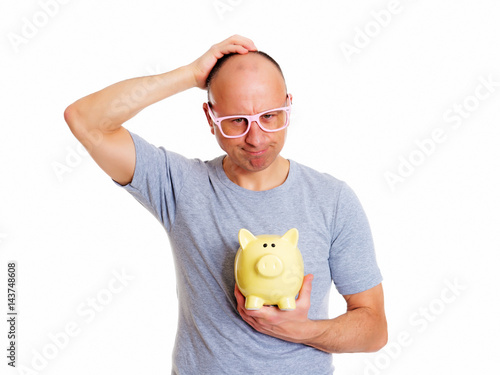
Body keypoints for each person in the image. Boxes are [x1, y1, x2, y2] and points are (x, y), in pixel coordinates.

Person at [64, 35, 387, 374]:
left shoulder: (332, 199)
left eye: (270, 116)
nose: (256, 138)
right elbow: (84, 119)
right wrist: (189, 75)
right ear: (210, 117)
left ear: (289, 106)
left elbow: (374, 329)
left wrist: (301, 330)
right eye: (237, 121)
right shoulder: (181, 185)